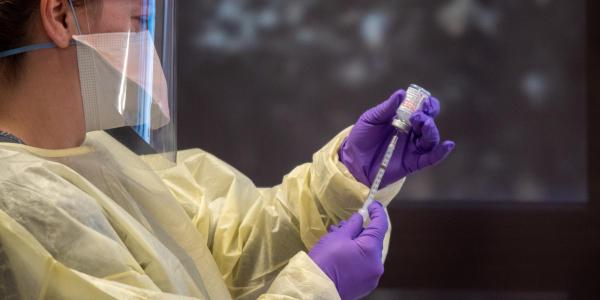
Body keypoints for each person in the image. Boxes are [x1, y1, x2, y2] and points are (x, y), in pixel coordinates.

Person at [0, 0, 454, 299]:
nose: (149, 35)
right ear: (60, 16)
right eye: (140, 21)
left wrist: (341, 181)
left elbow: (217, 252)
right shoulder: (19, 200)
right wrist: (316, 288)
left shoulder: (90, 157)